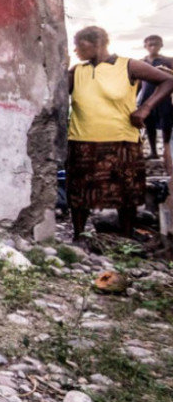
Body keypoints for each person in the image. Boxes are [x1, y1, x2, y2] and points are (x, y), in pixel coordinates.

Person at [66, 27, 173, 242]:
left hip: (122, 142)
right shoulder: (76, 71)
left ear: (96, 42)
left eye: (80, 44)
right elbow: (55, 92)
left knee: (126, 193)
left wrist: (146, 108)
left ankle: (125, 238)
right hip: (82, 141)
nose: (76, 49)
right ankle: (79, 238)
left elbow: (168, 81)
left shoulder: (128, 66)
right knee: (80, 193)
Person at [138, 34, 173, 175]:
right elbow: (138, 83)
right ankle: (153, 152)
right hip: (146, 97)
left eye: (156, 44)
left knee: (166, 124)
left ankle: (167, 151)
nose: (153, 47)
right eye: (150, 44)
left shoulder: (168, 61)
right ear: (145, 46)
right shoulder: (141, 63)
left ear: (161, 46)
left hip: (164, 97)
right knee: (149, 124)